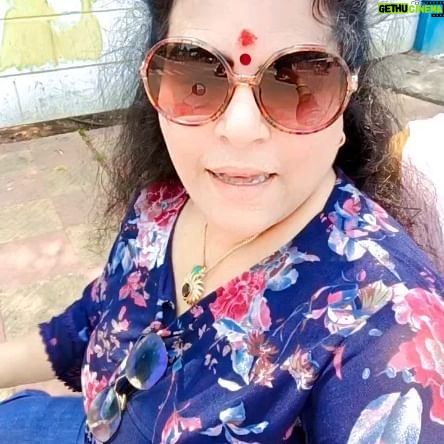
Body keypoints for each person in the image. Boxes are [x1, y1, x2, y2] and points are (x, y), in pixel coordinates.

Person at [1, 0, 443, 443]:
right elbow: (96, 321)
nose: (240, 128)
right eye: (197, 77)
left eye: (297, 81)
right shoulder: (164, 201)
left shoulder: (387, 324)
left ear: (347, 98)